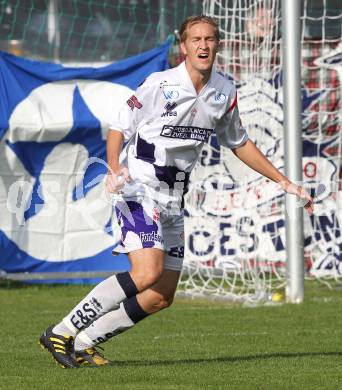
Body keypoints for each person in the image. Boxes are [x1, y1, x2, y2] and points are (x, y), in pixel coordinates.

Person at [39, 15, 314, 368]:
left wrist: (285, 182)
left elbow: (239, 142)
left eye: (210, 39)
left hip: (173, 201)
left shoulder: (224, 92)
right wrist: (114, 167)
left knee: (159, 295)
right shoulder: (160, 84)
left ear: (218, 44)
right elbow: (119, 126)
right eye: (195, 39)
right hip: (138, 190)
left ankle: (85, 342)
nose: (203, 45)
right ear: (183, 46)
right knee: (146, 273)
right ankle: (62, 332)